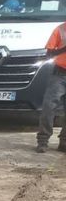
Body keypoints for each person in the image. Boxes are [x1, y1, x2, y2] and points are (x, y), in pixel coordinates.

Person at [36, 20, 66, 152]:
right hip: (59, 74)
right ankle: (43, 141)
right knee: (49, 106)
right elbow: (49, 54)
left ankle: (64, 142)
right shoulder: (60, 30)